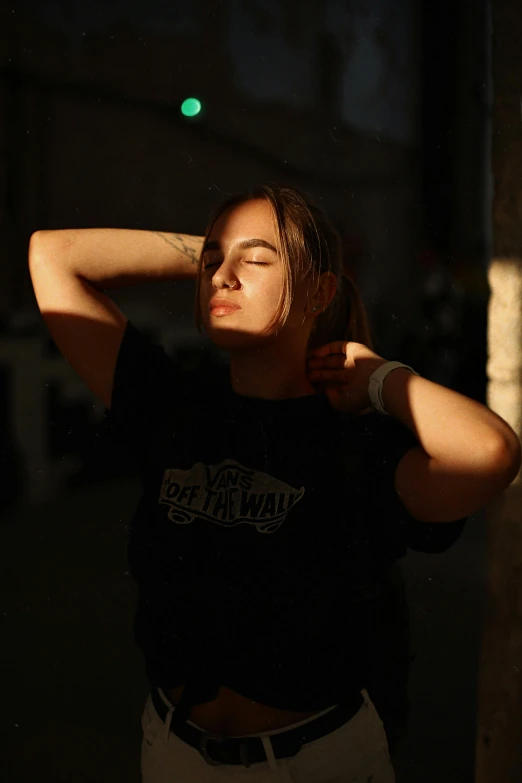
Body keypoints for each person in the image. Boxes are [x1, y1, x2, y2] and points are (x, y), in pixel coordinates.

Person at [28, 185, 520, 783]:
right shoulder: (172, 405)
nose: (222, 279)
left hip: (316, 762)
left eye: (256, 262)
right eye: (213, 264)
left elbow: (492, 452)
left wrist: (379, 378)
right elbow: (53, 256)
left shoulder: (355, 443)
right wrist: (225, 251)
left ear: (320, 290)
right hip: (172, 753)